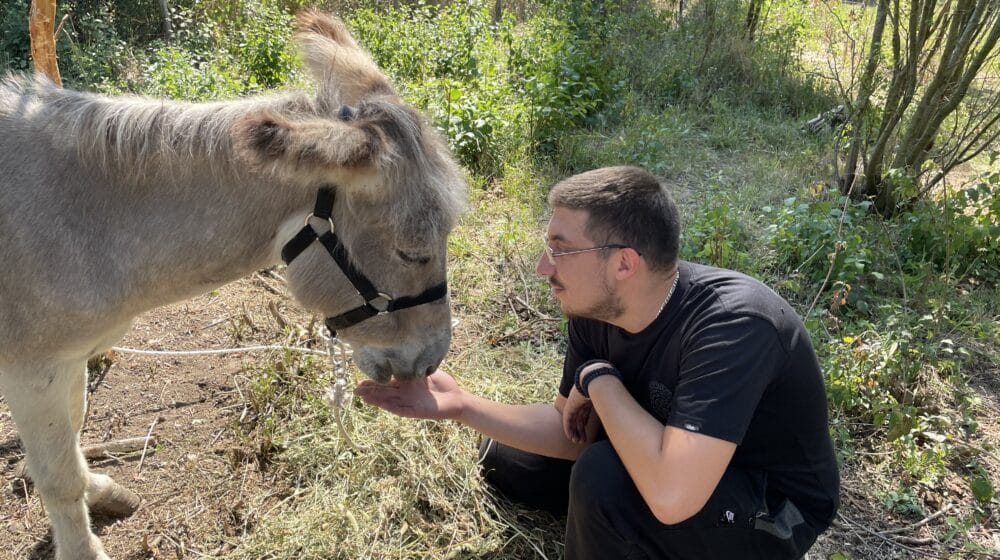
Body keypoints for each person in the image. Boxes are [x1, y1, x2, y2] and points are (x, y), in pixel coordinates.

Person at [355, 166, 839, 560]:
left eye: (560, 250)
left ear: (624, 264)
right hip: (666, 454)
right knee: (507, 458)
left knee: (603, 478)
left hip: (770, 510)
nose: (544, 267)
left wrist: (601, 380)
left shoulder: (735, 324)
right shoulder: (596, 306)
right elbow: (571, 434)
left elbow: (673, 496)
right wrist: (460, 405)